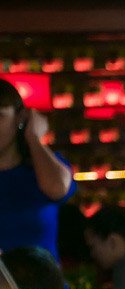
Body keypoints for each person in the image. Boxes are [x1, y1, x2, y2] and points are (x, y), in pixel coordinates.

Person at [0, 79, 77, 263]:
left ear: (20, 118)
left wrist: (34, 138)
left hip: (41, 278)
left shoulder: (40, 166)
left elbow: (58, 188)